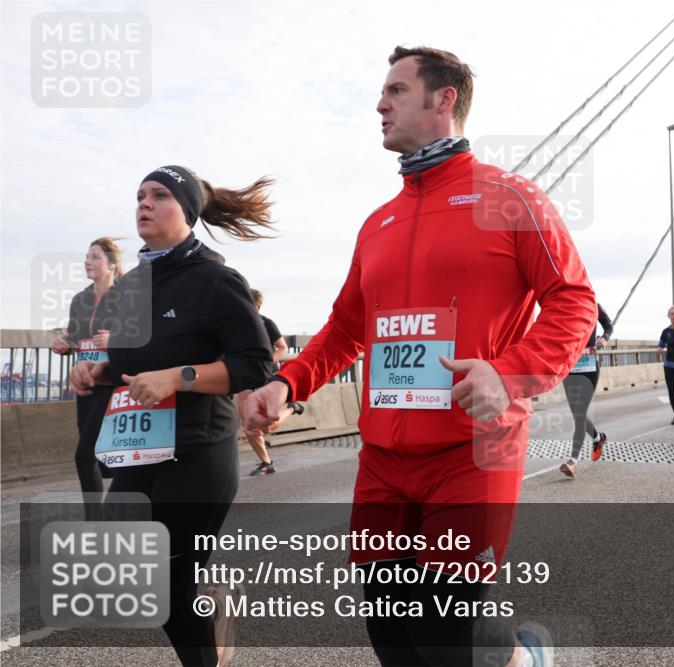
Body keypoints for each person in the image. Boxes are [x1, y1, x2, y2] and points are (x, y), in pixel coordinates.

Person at [242, 46, 592, 667]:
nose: (380, 103)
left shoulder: (510, 197)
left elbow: (573, 301)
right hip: (383, 460)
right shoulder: (378, 222)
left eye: (396, 90)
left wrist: (509, 374)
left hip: (472, 451)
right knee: (391, 630)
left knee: (445, 633)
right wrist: (287, 384)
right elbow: (346, 328)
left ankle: (523, 657)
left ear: (444, 99)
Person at [69, 165, 276, 667]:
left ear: (186, 210)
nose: (144, 203)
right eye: (140, 195)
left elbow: (255, 363)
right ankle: (218, 599)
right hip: (139, 446)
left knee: (172, 581)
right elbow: (131, 357)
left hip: (199, 448)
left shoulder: (216, 279)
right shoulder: (134, 285)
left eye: (159, 195)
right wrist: (99, 369)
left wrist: (178, 377)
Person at [51, 237, 123, 508]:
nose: (87, 262)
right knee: (101, 456)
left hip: (114, 382)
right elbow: (76, 336)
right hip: (86, 383)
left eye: (95, 257)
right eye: (86, 256)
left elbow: (141, 336)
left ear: (112, 265)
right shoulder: (80, 300)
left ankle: (96, 522)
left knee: (85, 455)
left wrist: (116, 339)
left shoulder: (126, 297)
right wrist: (64, 344)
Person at [242, 288, 293, 476]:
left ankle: (292, 408)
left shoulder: (266, 323)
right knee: (248, 425)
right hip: (244, 378)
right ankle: (266, 462)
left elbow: (283, 348)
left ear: (257, 304)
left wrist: (266, 361)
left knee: (266, 425)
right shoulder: (236, 324)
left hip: (266, 377)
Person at [559, 303, 612, 478]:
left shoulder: (593, 305)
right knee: (577, 413)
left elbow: (608, 325)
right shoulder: (563, 305)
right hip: (570, 367)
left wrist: (604, 337)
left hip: (589, 367)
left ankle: (572, 461)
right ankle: (598, 438)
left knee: (580, 413)